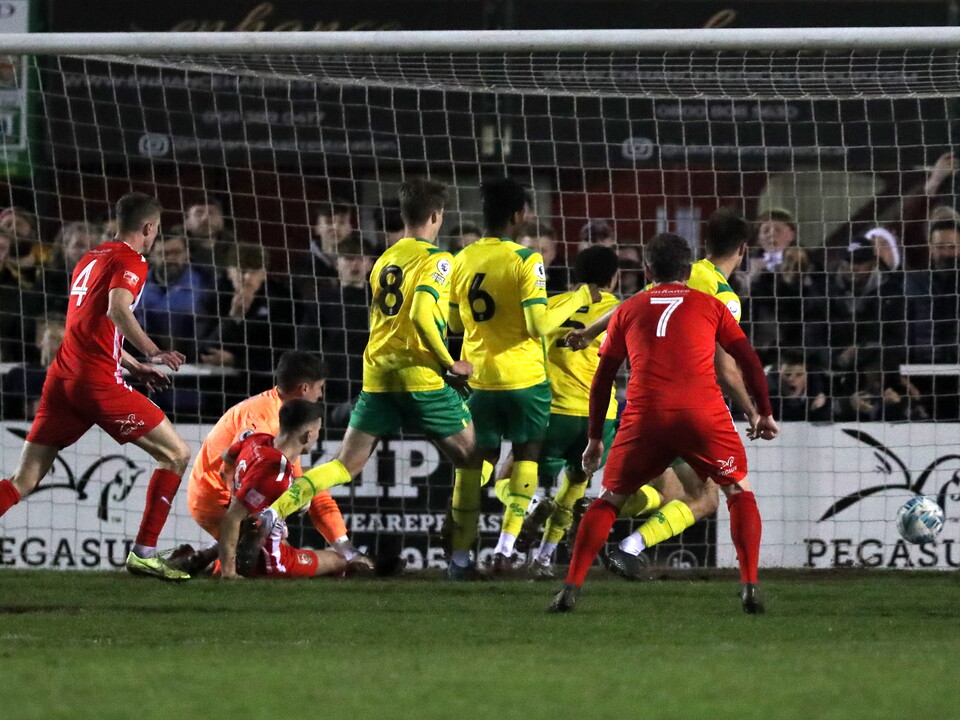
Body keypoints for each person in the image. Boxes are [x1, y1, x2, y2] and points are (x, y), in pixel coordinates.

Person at [235, 177, 478, 577]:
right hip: (419, 378)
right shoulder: (439, 260)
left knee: (344, 464)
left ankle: (271, 513)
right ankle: (459, 558)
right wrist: (449, 362)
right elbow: (421, 314)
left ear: (403, 216)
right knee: (472, 460)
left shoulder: (384, 260)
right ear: (437, 216)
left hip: (378, 375)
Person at [550, 233, 779, 614]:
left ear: (647, 271)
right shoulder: (711, 305)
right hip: (702, 415)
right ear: (688, 272)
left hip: (645, 418)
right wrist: (764, 411)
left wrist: (595, 438)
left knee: (609, 499)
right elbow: (748, 360)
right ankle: (750, 585)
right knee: (738, 490)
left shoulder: (629, 308)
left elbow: (603, 378)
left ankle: (570, 589)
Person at [0, 192, 193, 581]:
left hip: (62, 379)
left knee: (24, 480)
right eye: (156, 230)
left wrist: (134, 365)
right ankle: (144, 553)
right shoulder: (132, 260)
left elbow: (89, 328)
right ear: (149, 228)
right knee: (176, 454)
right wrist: (153, 351)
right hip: (96, 383)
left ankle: (144, 554)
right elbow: (116, 310)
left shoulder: (90, 257)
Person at [448, 177, 600, 574]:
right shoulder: (526, 260)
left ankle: (460, 559)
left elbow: (454, 324)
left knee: (475, 464)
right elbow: (538, 325)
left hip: (480, 379)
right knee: (525, 458)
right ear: (518, 215)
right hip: (525, 381)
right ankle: (504, 550)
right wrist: (579, 297)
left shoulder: (462, 258)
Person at [184, 351, 367, 573]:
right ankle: (216, 561)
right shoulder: (263, 420)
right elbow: (228, 469)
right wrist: (243, 513)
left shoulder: (286, 415)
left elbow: (231, 456)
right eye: (320, 388)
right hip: (214, 498)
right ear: (304, 388)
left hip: (232, 493)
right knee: (274, 564)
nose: (320, 395)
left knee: (313, 481)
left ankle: (348, 552)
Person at [520, 246, 621, 578]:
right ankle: (545, 559)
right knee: (577, 482)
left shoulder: (553, 305)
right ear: (614, 278)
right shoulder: (620, 310)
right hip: (598, 415)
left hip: (553, 410)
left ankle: (533, 504)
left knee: (511, 473)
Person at [217, 399, 347, 579]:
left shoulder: (257, 440)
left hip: (253, 540)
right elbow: (231, 517)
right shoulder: (275, 475)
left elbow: (227, 456)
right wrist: (229, 573)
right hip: (272, 559)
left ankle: (211, 557)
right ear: (308, 435)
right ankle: (234, 568)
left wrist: (235, 487)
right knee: (340, 560)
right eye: (318, 431)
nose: (318, 436)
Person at [296, 232, 376, 426]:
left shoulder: (383, 303)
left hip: (375, 387)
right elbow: (306, 348)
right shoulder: (322, 303)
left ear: (370, 264)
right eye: (348, 258)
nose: (354, 264)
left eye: (360, 258)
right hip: (333, 392)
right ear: (336, 263)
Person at [182, 196, 236, 277]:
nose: (205, 218)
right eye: (199, 213)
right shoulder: (175, 247)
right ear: (186, 222)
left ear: (221, 220)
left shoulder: (235, 249)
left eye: (211, 213)